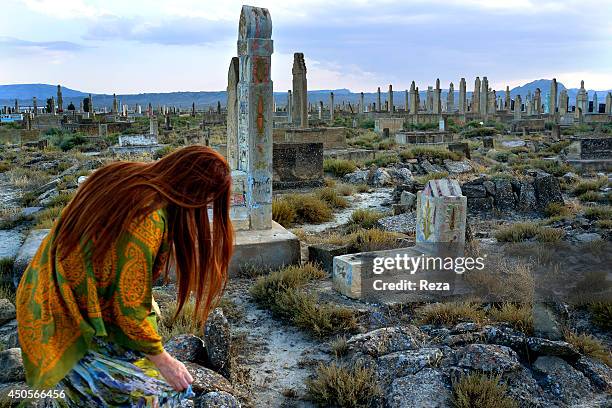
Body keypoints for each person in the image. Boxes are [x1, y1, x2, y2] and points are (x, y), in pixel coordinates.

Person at [16, 146, 234, 406]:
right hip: (66, 321)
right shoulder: (148, 217)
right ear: (193, 192)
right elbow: (127, 307)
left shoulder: (129, 176)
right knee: (162, 395)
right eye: (206, 201)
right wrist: (165, 361)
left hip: (45, 296)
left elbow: (114, 276)